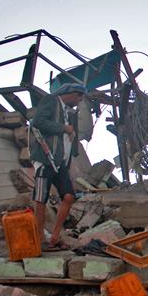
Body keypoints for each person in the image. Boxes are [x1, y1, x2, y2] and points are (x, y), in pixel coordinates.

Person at [30, 83, 87, 250]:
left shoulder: (66, 112)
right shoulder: (51, 100)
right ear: (70, 93)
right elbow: (38, 122)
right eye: (78, 97)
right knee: (40, 199)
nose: (79, 101)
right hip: (46, 159)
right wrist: (64, 128)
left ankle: (54, 236)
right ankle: (40, 238)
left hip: (59, 162)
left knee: (69, 196)